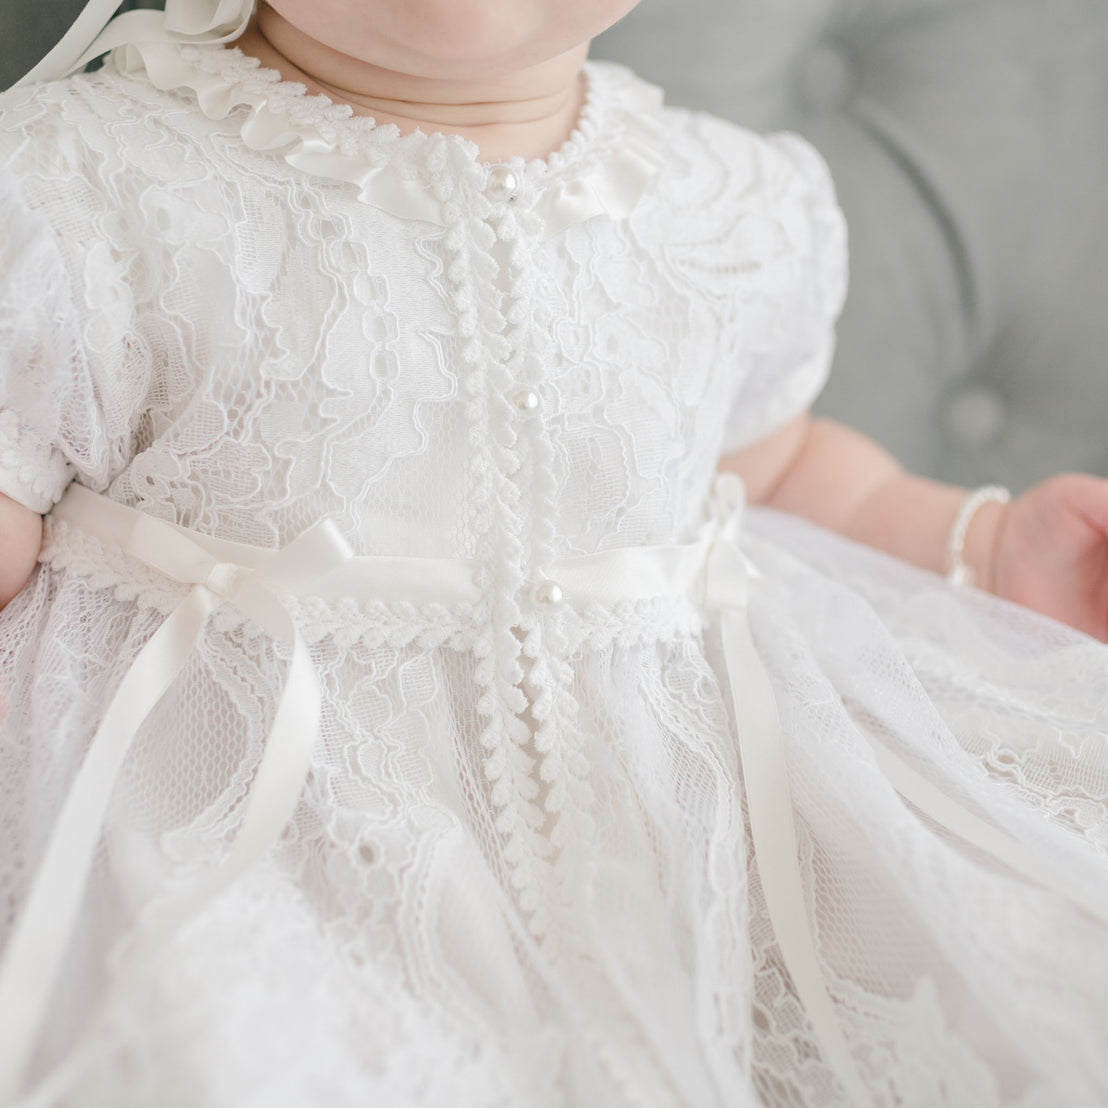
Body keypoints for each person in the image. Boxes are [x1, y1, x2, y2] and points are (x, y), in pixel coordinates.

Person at [0, 1, 1106, 1105]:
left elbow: (776, 471)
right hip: (266, 842)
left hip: (687, 839)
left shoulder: (720, 209)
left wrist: (984, 546)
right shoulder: (80, 180)